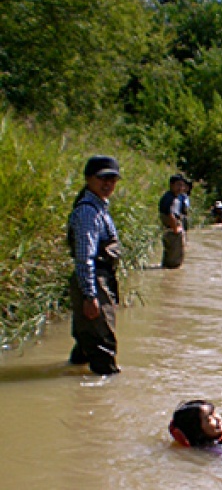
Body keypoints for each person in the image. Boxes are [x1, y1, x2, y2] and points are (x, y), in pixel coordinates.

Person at [67, 155, 122, 375]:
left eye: (113, 179)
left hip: (99, 278)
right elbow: (84, 257)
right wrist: (90, 296)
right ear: (89, 179)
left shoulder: (99, 208)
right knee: (103, 344)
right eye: (102, 178)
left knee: (86, 340)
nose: (108, 184)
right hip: (94, 280)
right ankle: (105, 396)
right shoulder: (88, 212)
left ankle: (72, 381)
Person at [159, 174, 186, 269]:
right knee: (174, 262)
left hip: (172, 229)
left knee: (170, 258)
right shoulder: (169, 198)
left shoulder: (176, 197)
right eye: (178, 185)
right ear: (171, 185)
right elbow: (169, 214)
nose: (181, 188)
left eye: (182, 185)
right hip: (172, 230)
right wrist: (175, 229)